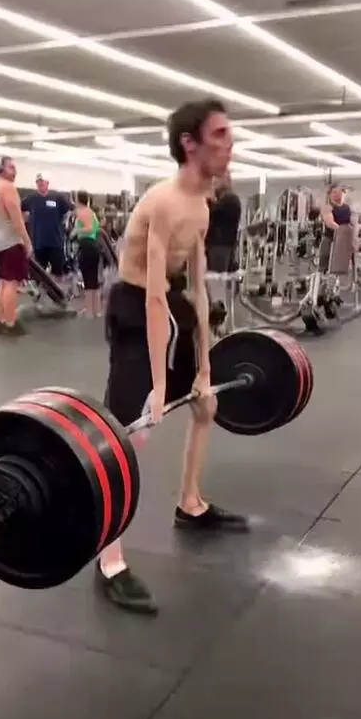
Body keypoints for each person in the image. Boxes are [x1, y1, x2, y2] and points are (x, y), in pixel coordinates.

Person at [97, 98, 250, 615]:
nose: (231, 143)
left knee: (205, 405)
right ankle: (109, 558)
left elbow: (197, 290)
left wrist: (204, 367)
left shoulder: (204, 207)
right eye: (221, 134)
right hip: (136, 308)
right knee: (130, 432)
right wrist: (160, 389)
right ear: (190, 143)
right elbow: (152, 296)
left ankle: (190, 503)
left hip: (172, 303)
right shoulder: (162, 201)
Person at [0, 155, 32, 336]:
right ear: (1, 169)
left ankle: (0, 321)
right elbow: (17, 220)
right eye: (11, 167)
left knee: (3, 282)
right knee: (11, 284)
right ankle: (11, 323)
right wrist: (27, 242)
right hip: (11, 241)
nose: (15, 171)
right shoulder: (8, 188)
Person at [21, 173, 71, 282]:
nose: (40, 184)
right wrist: (26, 219)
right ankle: (41, 294)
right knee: (38, 273)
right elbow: (19, 209)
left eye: (42, 181)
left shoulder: (57, 197)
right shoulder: (31, 198)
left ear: (47, 183)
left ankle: (57, 295)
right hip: (38, 242)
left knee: (57, 272)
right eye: (38, 182)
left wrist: (63, 222)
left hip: (55, 241)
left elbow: (68, 210)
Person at [206, 173, 241, 273]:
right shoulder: (225, 199)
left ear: (225, 181)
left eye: (217, 180)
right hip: (220, 248)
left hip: (220, 249)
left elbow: (211, 212)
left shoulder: (230, 199)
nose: (213, 182)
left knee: (216, 280)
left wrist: (208, 195)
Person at [74, 190, 102, 317]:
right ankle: (96, 310)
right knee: (93, 280)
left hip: (86, 245)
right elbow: (96, 228)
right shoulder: (92, 213)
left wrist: (75, 230)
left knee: (88, 279)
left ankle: (89, 311)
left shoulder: (82, 212)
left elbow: (89, 228)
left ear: (78, 200)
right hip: (93, 246)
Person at [320, 184, 357, 273]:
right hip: (331, 240)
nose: (337, 194)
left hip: (345, 241)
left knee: (347, 266)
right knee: (326, 264)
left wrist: (353, 234)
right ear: (330, 194)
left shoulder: (347, 207)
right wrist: (342, 231)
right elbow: (330, 223)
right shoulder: (327, 207)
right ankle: (322, 278)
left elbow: (353, 223)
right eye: (334, 192)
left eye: (339, 192)